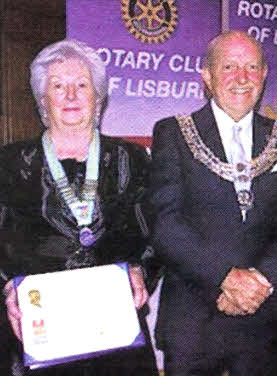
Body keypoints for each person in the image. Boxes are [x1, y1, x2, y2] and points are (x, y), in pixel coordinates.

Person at [150, 30, 277, 376]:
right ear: (206, 76)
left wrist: (262, 281)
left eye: (252, 67)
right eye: (229, 67)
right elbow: (166, 225)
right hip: (193, 322)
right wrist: (226, 278)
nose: (241, 78)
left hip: (263, 319)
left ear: (264, 75)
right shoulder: (174, 134)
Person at [0, 39, 158, 376]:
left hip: (116, 331)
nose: (70, 96)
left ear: (98, 98)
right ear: (44, 99)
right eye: (58, 86)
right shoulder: (10, 163)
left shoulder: (130, 159)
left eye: (81, 85)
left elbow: (157, 233)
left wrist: (140, 270)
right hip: (38, 332)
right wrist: (6, 288)